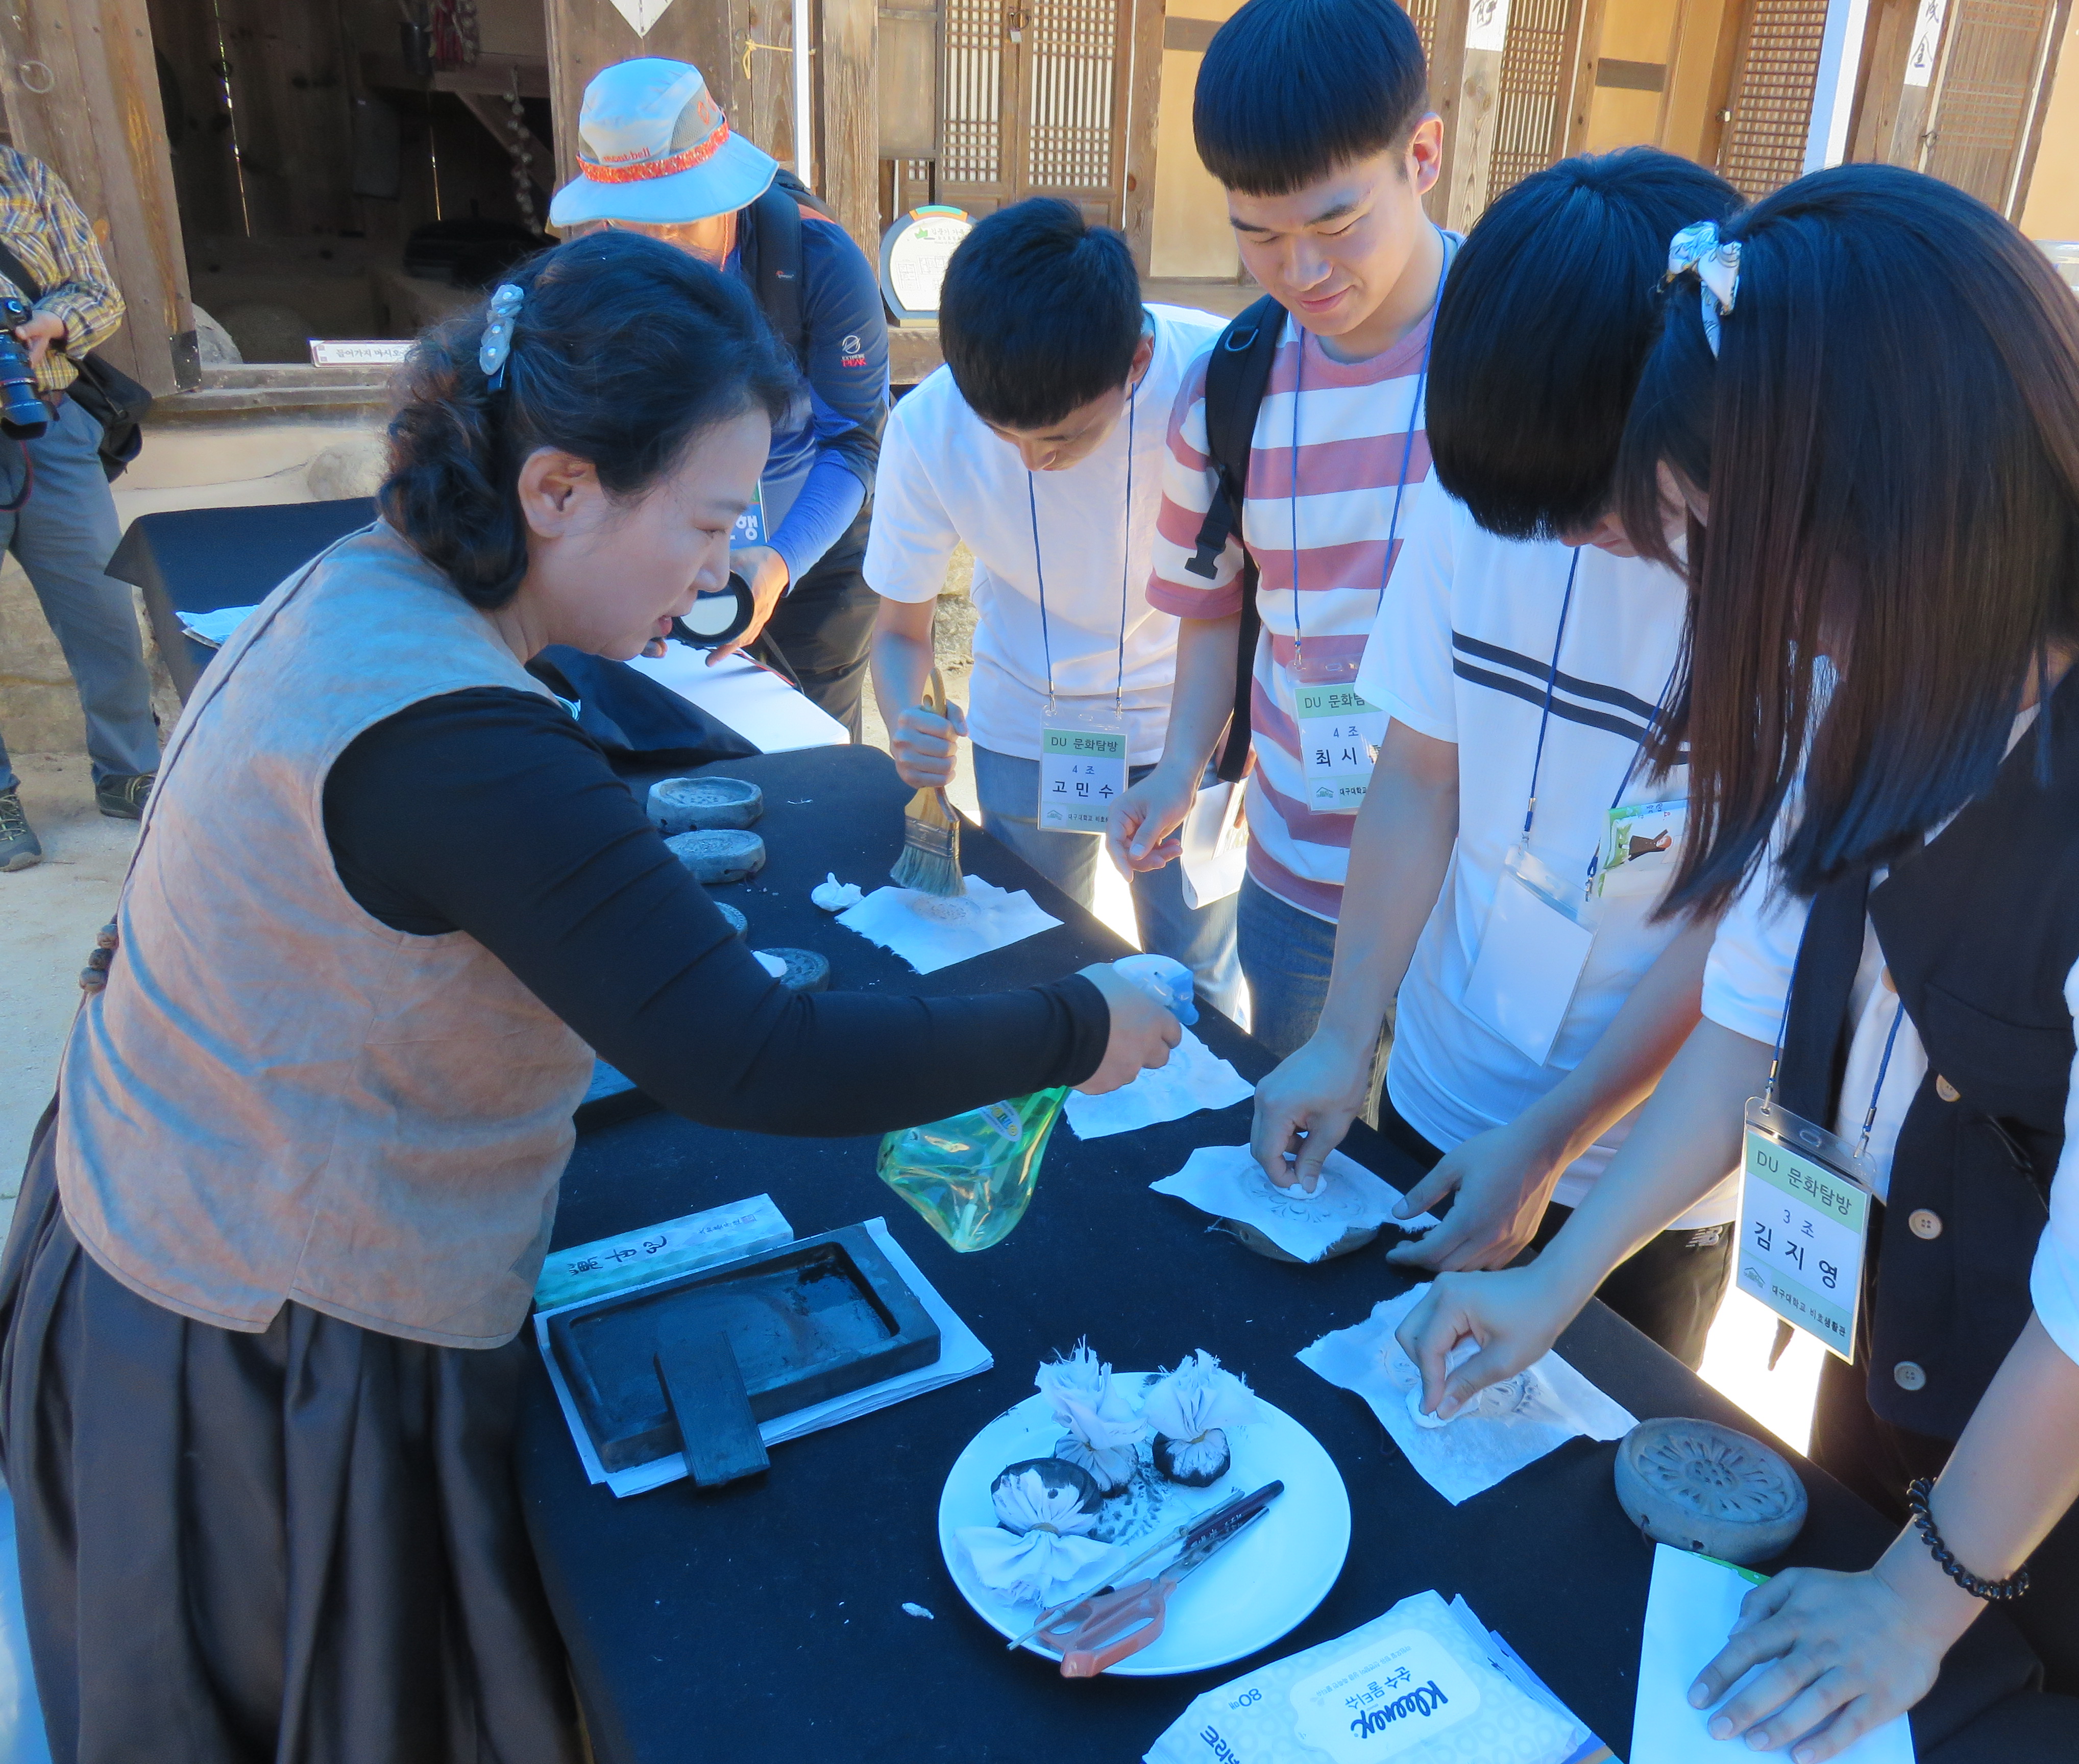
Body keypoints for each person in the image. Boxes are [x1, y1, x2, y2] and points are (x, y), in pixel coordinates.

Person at [0, 232, 1179, 1762]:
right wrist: (1078, 1026)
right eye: (707, 522)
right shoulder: (462, 743)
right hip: (254, 1330)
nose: (721, 568)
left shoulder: (371, 583)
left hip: (156, 1216)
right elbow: (750, 1053)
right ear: (557, 489)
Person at [1399, 166, 2079, 1763]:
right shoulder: (1897, 677)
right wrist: (1557, 1278)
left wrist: (1916, 1602)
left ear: (1896, 502)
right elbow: (1748, 1019)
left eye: (1720, 539)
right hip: (1909, 1384)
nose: (1713, 593)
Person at [1249, 150, 1741, 1367]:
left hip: (1641, 1180)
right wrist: (1344, 1035)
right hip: (1437, 1089)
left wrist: (1556, 1140)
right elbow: (1419, 774)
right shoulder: (1475, 497)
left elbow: (1747, 925)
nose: (1561, 537)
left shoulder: (1786, 588)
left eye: (1594, 505)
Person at [1108, 0, 1453, 1057]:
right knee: (1301, 1132)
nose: (1302, 272)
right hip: (1296, 878)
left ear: (1422, 158)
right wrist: (1180, 765)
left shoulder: (1519, 351)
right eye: (1258, 235)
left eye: (1337, 227)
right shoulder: (1232, 387)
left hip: (1474, 893)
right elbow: (1213, 607)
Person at [866, 198, 1244, 1018]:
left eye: (1064, 437)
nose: (1035, 462)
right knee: (1033, 962)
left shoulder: (1218, 380)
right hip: (1025, 729)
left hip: (1188, 722)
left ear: (1135, 361)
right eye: (1005, 437)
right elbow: (898, 632)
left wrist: (1205, 759)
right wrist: (904, 719)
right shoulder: (929, 424)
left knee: (1197, 980)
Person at [550, 57, 889, 733]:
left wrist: (783, 561)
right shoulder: (595, 272)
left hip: (811, 539)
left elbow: (856, 441)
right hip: (669, 551)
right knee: (678, 738)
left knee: (811, 749)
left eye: (679, 220)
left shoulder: (820, 263)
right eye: (635, 221)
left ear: (725, 187)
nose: (661, 245)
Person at [0, 144, 158, 870]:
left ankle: (130, 772)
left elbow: (96, 290)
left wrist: (51, 323)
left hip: (49, 423)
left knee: (104, 611)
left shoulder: (23, 175)